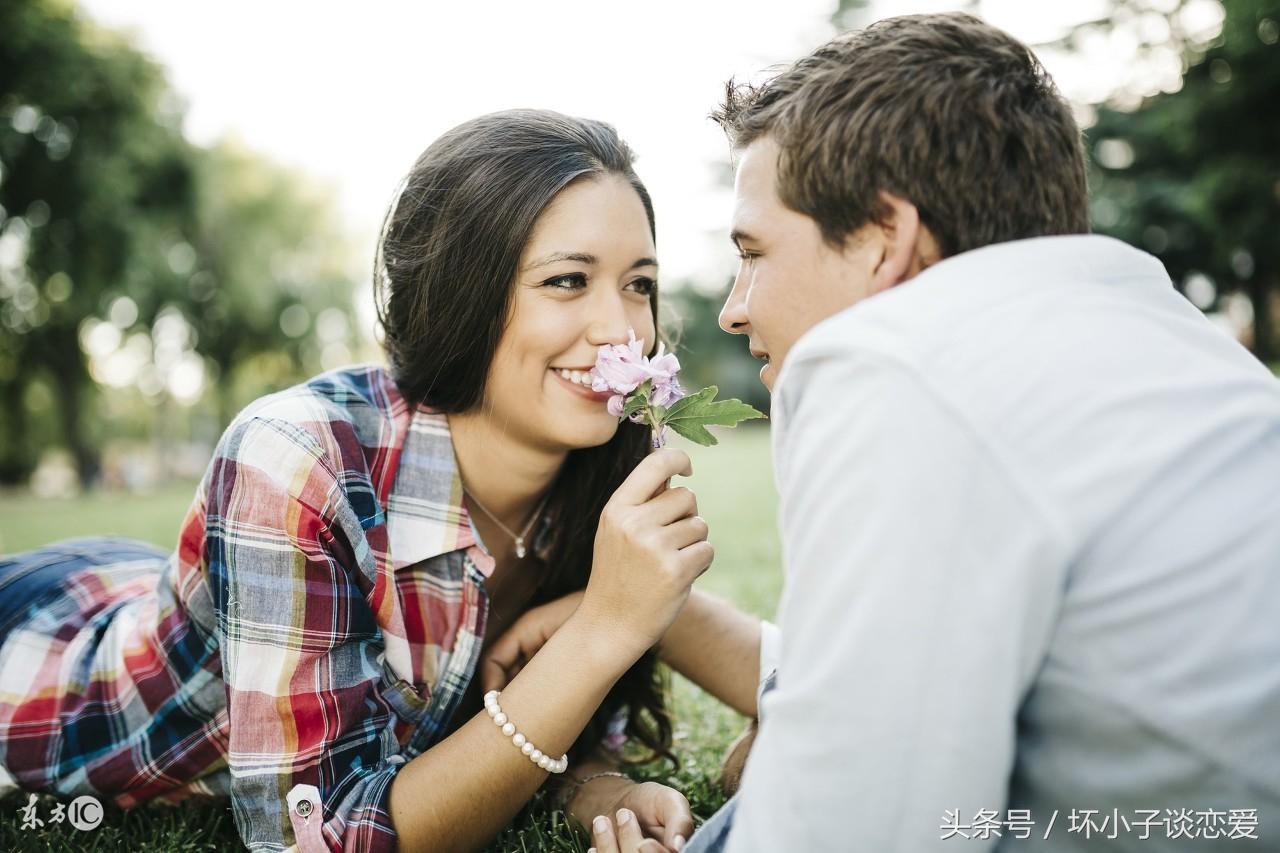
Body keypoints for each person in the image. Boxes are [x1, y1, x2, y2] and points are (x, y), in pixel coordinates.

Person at [581, 12, 1280, 852]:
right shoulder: (1168, 336)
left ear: (886, 238)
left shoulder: (893, 366)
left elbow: (854, 826)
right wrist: (647, 621)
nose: (735, 308)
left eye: (754, 251)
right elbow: (898, 680)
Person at [0, 109, 734, 852]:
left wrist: (595, 783)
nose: (622, 330)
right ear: (460, 294)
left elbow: (507, 730)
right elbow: (312, 836)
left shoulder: (598, 462)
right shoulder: (293, 456)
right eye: (568, 280)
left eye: (639, 284)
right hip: (40, 669)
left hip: (135, 575)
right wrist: (602, 628)